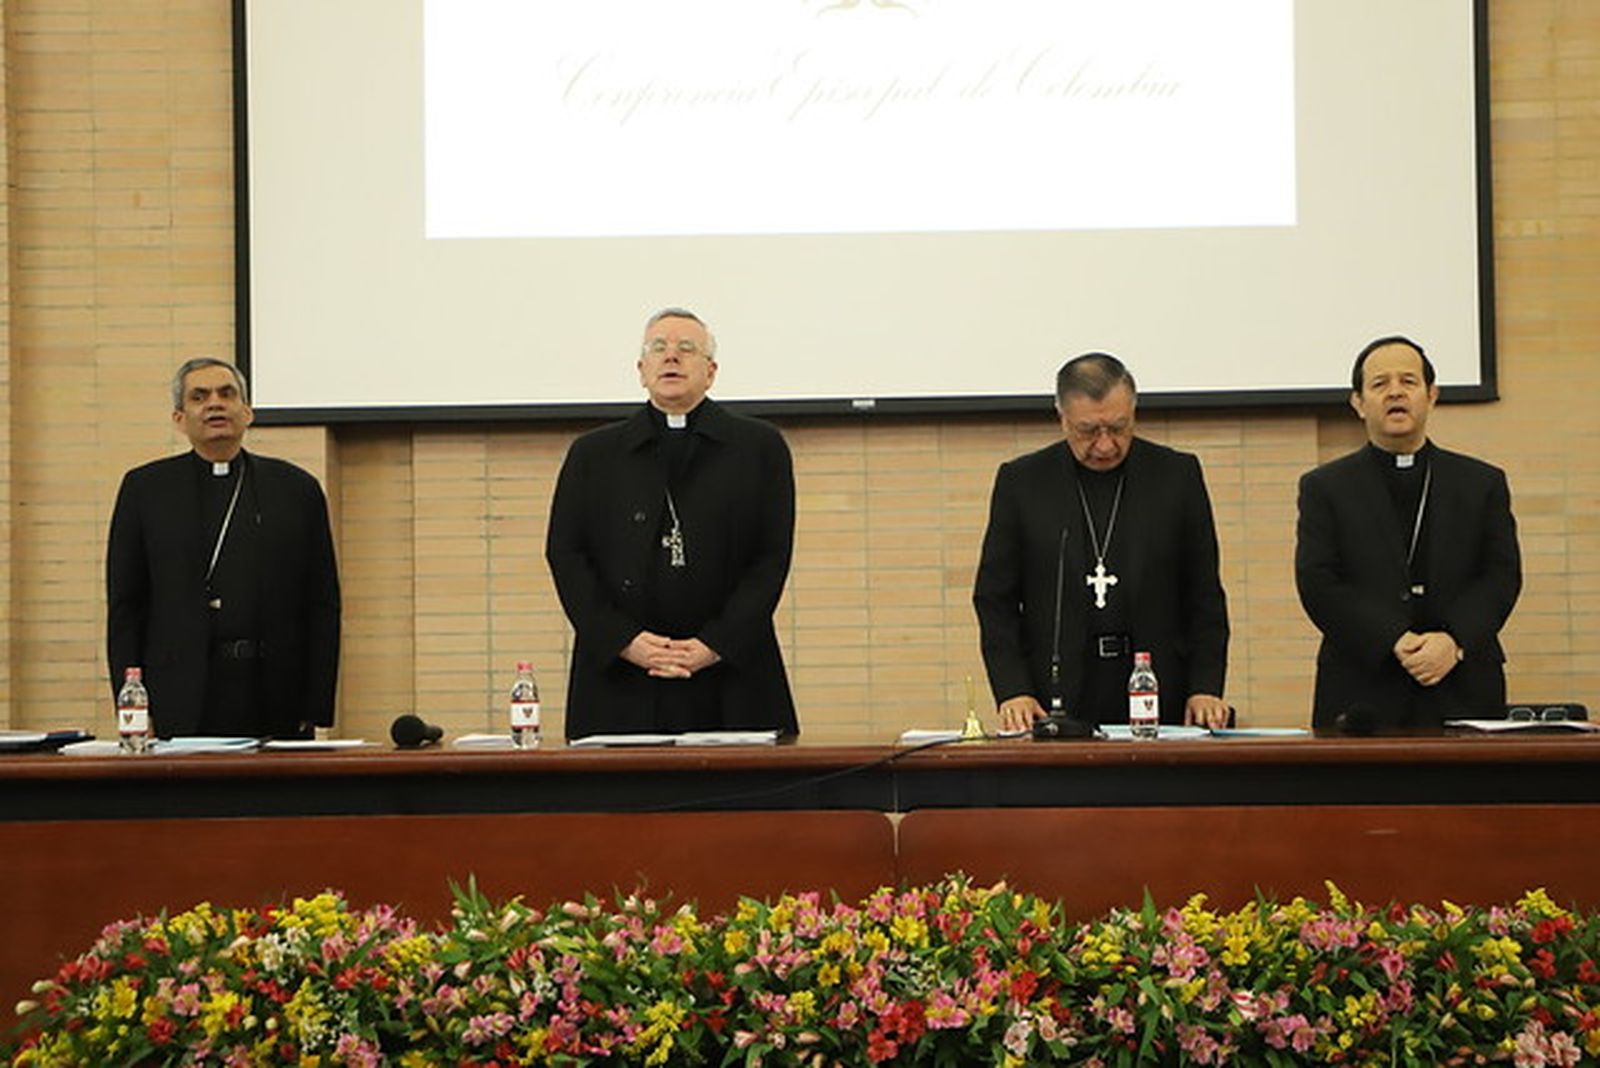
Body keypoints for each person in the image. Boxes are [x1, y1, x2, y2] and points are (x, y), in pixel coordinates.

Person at [546, 308, 798, 739]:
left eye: (687, 349)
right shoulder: (594, 455)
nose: (671, 358)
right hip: (620, 675)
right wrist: (625, 641)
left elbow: (770, 559)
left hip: (731, 671)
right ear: (641, 370)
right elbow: (567, 555)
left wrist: (714, 645)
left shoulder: (759, 448)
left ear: (711, 371)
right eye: (658, 348)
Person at [974, 352, 1231, 732]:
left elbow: (1204, 594)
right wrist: (1013, 689)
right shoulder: (1023, 482)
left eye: (1118, 427)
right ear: (1061, 417)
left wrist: (1205, 686)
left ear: (1134, 411)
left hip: (1160, 686)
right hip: (1053, 694)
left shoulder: (1176, 476)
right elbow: (995, 600)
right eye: (1088, 431)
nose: (1106, 445)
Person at [106, 357, 341, 739]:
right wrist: (133, 706)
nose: (215, 403)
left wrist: (315, 704)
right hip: (177, 694)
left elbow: (322, 603)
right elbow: (126, 606)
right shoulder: (145, 491)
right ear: (180, 418)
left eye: (226, 394)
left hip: (275, 693)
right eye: (199, 397)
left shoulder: (296, 489)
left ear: (246, 412)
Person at [1296, 335, 1521, 728]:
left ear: (1432, 396)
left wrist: (1454, 641)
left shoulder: (1481, 482)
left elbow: (1501, 576)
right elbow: (1318, 581)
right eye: (1380, 384)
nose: (1395, 392)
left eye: (1408, 382)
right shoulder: (1325, 487)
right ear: (1358, 402)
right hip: (1362, 687)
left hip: (1462, 683)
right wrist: (1393, 639)